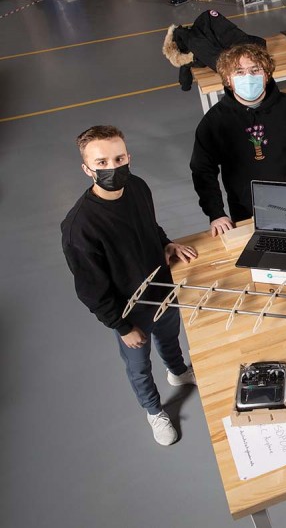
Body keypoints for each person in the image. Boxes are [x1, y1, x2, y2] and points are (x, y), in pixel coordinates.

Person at [62, 125, 199, 446]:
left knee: (170, 337)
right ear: (87, 169)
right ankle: (154, 410)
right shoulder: (79, 227)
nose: (112, 167)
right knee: (139, 366)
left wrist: (166, 243)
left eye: (118, 158)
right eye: (101, 163)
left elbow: (149, 225)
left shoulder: (137, 186)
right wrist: (122, 327)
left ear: (128, 157)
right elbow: (91, 289)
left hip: (161, 289)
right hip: (129, 311)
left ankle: (178, 372)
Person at [190, 44, 286, 237]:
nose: (248, 77)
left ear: (267, 74)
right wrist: (216, 213)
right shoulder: (215, 122)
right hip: (246, 212)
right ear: (228, 79)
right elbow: (202, 169)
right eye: (239, 72)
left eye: (255, 70)